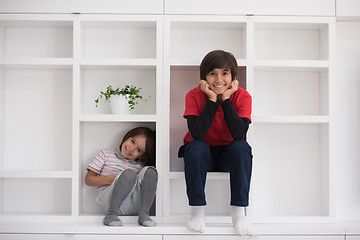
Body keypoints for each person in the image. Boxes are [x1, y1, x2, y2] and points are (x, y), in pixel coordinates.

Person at [178, 50, 253, 236]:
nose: (219, 79)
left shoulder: (243, 96)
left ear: (234, 77)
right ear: (204, 77)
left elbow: (238, 133)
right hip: (203, 154)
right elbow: (197, 133)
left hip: (229, 154)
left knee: (242, 147)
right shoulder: (194, 95)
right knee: (196, 146)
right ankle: (197, 211)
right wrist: (212, 99)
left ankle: (238, 213)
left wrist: (226, 99)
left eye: (225, 73)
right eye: (213, 73)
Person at [85, 127, 157, 227]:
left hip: (131, 204)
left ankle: (144, 214)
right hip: (109, 202)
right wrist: (111, 179)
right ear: (127, 137)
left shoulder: (140, 166)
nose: (131, 149)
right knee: (129, 174)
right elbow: (88, 180)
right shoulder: (106, 154)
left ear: (141, 156)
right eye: (132, 141)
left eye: (139, 150)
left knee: (151, 171)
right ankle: (111, 214)